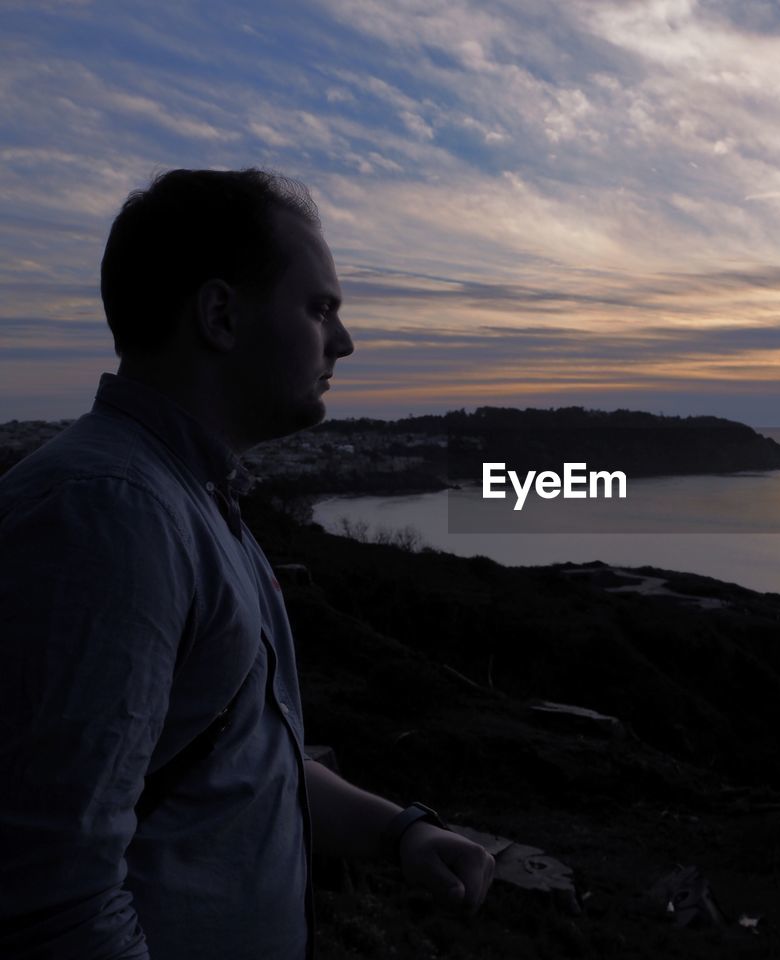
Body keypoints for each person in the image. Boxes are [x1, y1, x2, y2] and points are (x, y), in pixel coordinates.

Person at [0, 168, 495, 959]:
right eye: (320, 307)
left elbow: (239, 757)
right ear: (221, 314)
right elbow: (52, 898)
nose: (344, 341)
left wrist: (399, 834)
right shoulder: (108, 516)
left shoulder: (191, 501)